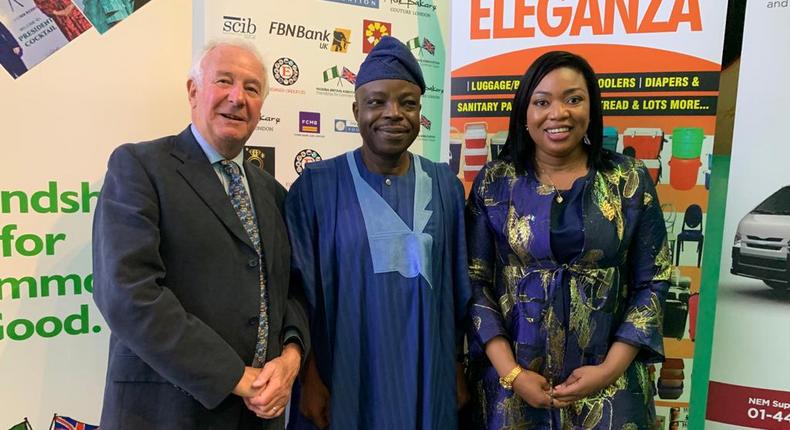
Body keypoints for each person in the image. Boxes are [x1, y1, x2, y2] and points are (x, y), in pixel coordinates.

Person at [92, 40, 309, 429]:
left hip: (259, 415)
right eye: (223, 81)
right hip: (166, 410)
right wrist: (234, 376)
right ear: (193, 91)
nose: (237, 97)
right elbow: (128, 294)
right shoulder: (140, 167)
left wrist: (291, 356)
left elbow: (290, 288)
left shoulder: (273, 192)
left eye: (252, 88)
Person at [465, 51, 670, 429]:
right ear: (524, 114)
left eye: (573, 99)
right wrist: (512, 374)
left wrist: (608, 370)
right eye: (542, 102)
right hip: (513, 387)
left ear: (591, 108)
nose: (558, 113)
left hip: (612, 388)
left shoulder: (629, 179)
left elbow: (653, 281)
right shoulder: (495, 182)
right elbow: (475, 282)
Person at [285, 35, 471, 430]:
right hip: (345, 376)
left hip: (428, 374)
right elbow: (298, 293)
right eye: (377, 102)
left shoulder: (445, 185)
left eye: (408, 103)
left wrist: (456, 366)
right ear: (356, 110)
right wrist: (309, 376)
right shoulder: (317, 187)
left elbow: (458, 290)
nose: (394, 114)